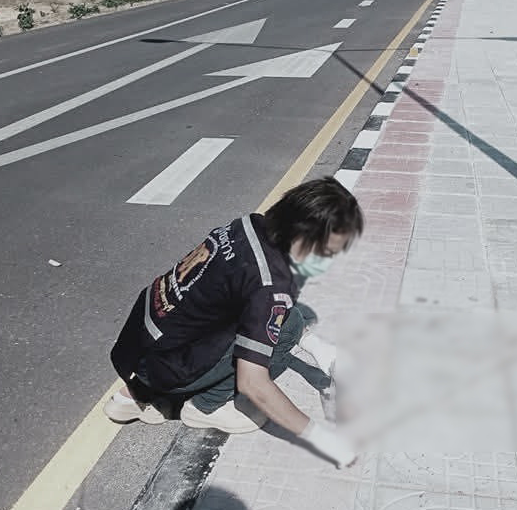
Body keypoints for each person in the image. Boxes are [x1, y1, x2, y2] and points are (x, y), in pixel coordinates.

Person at [104, 176, 362, 468]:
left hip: (138, 340)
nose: (328, 262)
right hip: (163, 365)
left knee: (265, 314)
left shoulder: (247, 225)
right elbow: (253, 384)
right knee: (284, 328)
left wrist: (317, 348)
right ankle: (206, 406)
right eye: (326, 252)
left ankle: (136, 394)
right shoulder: (271, 285)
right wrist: (323, 439)